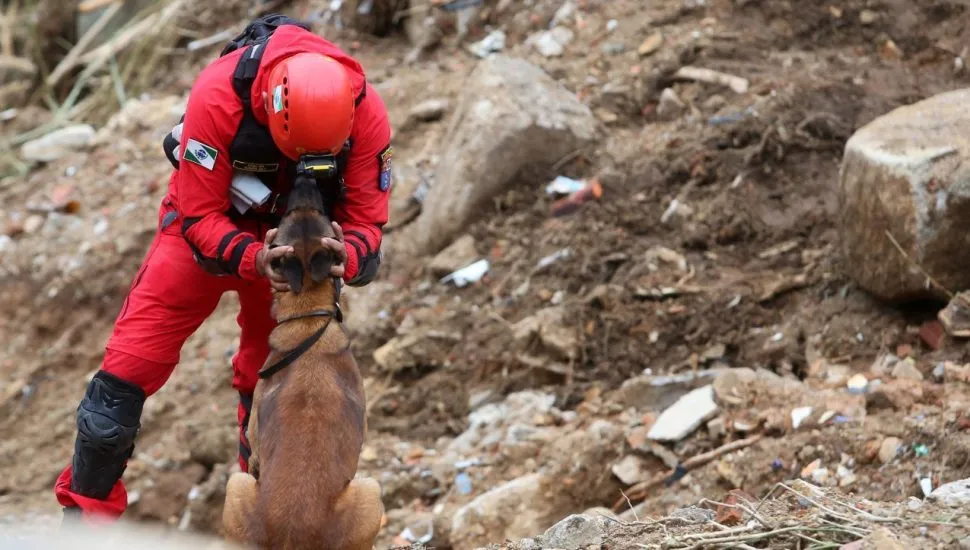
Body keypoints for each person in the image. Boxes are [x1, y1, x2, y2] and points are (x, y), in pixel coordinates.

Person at [52, 14, 392, 523]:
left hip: (291, 249)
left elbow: (368, 220)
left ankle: (263, 522)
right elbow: (198, 215)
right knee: (117, 392)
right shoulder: (219, 94)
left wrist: (351, 252)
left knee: (269, 387)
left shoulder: (364, 111)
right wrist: (254, 257)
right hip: (206, 232)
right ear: (274, 114)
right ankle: (82, 526)